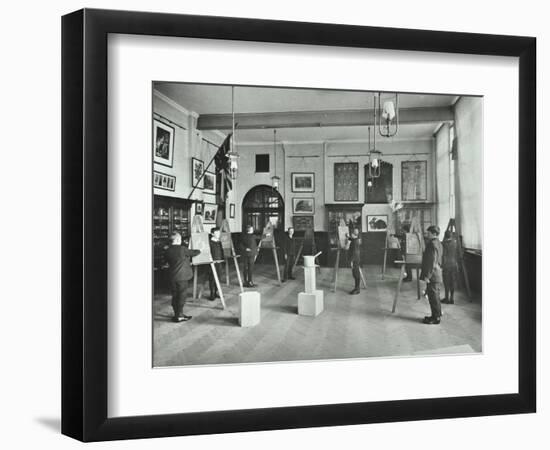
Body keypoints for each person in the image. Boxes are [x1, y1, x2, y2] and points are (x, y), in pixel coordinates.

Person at [164, 232, 200, 323]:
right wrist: (200, 249)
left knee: (175, 295)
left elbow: (174, 261)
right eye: (180, 239)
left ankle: (176, 314)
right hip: (182, 277)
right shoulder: (182, 249)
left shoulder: (167, 250)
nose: (181, 241)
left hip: (172, 276)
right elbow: (194, 252)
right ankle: (180, 316)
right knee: (182, 296)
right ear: (176, 240)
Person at [420, 225, 443, 324]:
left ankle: (436, 318)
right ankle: (436, 315)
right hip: (436, 273)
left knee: (433, 297)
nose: (427, 234)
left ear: (434, 234)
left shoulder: (432, 244)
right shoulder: (438, 243)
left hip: (433, 275)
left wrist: (427, 276)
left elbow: (431, 262)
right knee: (435, 296)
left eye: (429, 233)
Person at [442, 230, 459, 304]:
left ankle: (446, 298)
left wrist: (442, 264)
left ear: (445, 236)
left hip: (446, 265)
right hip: (454, 264)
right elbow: (457, 254)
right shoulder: (455, 243)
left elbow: (443, 256)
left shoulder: (444, 244)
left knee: (446, 282)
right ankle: (452, 299)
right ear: (451, 236)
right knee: (452, 282)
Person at [208, 227, 225, 301]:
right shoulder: (209, 242)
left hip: (219, 262)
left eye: (219, 233)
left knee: (218, 277)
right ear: (212, 234)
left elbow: (221, 251)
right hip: (212, 263)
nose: (218, 234)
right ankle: (212, 293)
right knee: (212, 278)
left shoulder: (219, 242)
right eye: (216, 233)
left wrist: (222, 260)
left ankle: (216, 292)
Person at [347, 227, 362, 295]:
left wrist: (351, 261)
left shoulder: (354, 242)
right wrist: (348, 237)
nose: (350, 235)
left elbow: (354, 252)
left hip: (355, 259)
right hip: (357, 258)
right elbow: (352, 239)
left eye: (351, 234)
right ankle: (356, 288)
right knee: (355, 273)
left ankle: (357, 289)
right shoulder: (356, 239)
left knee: (356, 274)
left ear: (353, 234)